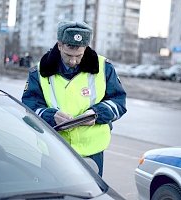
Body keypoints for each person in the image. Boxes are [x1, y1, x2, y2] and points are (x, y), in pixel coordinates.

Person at [22, 21, 127, 176]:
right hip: (53, 150)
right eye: (68, 55)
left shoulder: (104, 67)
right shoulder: (38, 72)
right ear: (59, 45)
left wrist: (96, 114)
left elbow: (119, 103)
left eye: (79, 55)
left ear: (85, 48)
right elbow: (28, 107)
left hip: (92, 151)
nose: (73, 61)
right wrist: (51, 116)